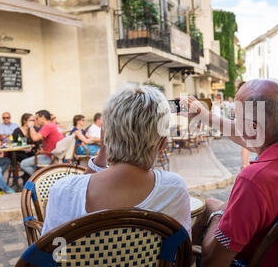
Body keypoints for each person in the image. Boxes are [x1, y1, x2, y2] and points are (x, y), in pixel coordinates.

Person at [182, 79, 278, 267]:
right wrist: (206, 116)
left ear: (253, 128)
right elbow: (251, 138)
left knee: (210, 208)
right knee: (210, 204)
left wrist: (221, 213)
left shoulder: (255, 180)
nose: (234, 122)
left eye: (236, 117)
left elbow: (213, 264)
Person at [41, 84, 191, 239]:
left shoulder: (64, 191)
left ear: (104, 136)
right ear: (162, 144)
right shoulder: (173, 188)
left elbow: (48, 258)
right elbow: (180, 255)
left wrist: (102, 153)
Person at [20, 110, 64, 177]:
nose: (35, 121)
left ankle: (41, 179)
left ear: (43, 117)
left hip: (51, 157)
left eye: (37, 118)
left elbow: (35, 138)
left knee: (23, 164)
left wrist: (31, 127)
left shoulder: (47, 126)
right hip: (56, 156)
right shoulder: (53, 125)